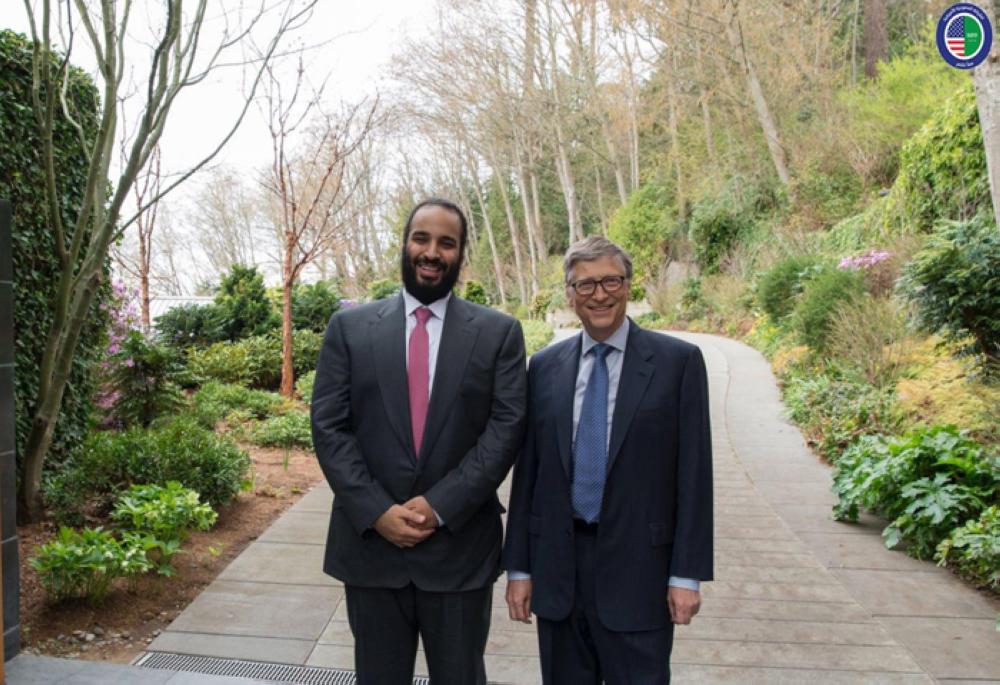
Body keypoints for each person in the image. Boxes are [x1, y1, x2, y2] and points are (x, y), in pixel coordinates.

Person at [310, 198, 528, 685]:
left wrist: (440, 504)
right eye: (421, 238)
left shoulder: (499, 334)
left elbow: (505, 428)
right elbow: (329, 426)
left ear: (460, 255)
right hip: (371, 550)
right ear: (405, 245)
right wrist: (377, 511)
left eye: (446, 243)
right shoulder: (348, 330)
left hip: (459, 551)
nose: (432, 252)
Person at [502, 236, 713, 684]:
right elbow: (530, 474)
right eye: (585, 285)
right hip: (559, 571)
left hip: (642, 575)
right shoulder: (544, 367)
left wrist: (687, 575)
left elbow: (695, 477)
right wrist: (519, 567)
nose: (599, 295)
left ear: (629, 285)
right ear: (569, 295)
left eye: (610, 281)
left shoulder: (678, 364)